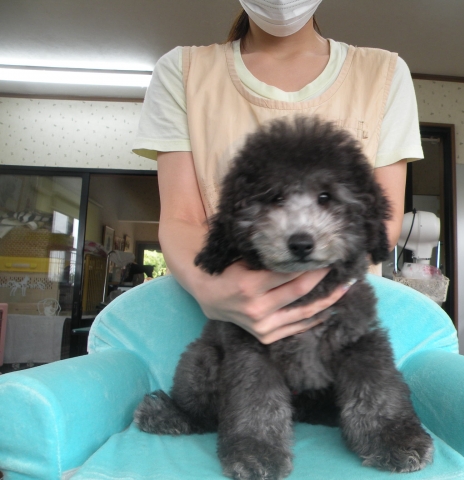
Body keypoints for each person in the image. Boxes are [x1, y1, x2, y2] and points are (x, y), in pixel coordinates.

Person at [132, 0, 423, 345]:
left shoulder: (384, 74)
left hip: (339, 326)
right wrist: (213, 287)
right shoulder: (182, 71)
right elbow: (181, 218)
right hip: (219, 324)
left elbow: (383, 222)